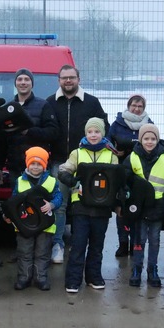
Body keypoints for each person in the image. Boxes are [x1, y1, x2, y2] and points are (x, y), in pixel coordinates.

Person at [46, 65, 107, 265]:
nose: (68, 81)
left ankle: (85, 245)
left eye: (72, 77)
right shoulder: (50, 102)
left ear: (78, 79)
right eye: (64, 78)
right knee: (60, 205)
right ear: (59, 80)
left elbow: (104, 128)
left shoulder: (92, 102)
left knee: (84, 204)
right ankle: (58, 245)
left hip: (88, 163)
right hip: (59, 162)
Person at [58, 118, 118, 293]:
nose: (93, 135)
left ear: (103, 134)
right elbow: (64, 170)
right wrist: (71, 180)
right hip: (81, 205)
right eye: (90, 132)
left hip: (102, 207)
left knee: (97, 244)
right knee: (78, 243)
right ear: (85, 134)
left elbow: (117, 177)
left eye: (97, 132)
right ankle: (73, 280)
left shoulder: (111, 154)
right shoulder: (77, 153)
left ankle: (94, 277)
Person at [122, 123, 164, 287]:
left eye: (153, 138)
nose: (149, 142)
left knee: (155, 240)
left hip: (158, 206)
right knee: (139, 240)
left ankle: (152, 269)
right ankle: (136, 269)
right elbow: (124, 179)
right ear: (140, 140)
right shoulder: (132, 157)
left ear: (157, 139)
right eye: (146, 138)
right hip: (139, 208)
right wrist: (128, 195)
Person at [4, 147, 62, 291]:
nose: (35, 167)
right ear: (27, 164)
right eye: (32, 163)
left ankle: (41, 278)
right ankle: (24, 278)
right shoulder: (19, 181)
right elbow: (13, 201)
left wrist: (52, 204)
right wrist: (8, 215)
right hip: (24, 224)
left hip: (45, 225)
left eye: (39, 164)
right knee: (24, 252)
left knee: (42, 252)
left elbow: (58, 197)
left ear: (44, 165)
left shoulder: (51, 181)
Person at [0, 68, 59, 183]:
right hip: (15, 168)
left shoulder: (44, 106)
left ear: (32, 83)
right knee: (17, 199)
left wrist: (29, 131)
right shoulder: (8, 108)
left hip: (38, 166)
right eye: (19, 79)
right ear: (15, 83)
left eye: (26, 79)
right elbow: (2, 142)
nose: (23, 82)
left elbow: (53, 132)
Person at [109, 94, 153, 257]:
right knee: (121, 207)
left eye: (140, 106)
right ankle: (123, 243)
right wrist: (116, 152)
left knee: (137, 208)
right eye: (134, 105)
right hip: (121, 171)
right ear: (128, 106)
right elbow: (108, 141)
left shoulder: (148, 124)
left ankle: (136, 243)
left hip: (140, 173)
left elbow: (154, 143)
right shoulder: (118, 123)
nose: (136, 108)